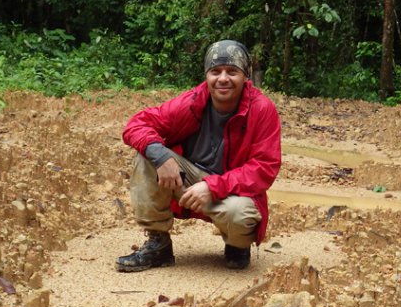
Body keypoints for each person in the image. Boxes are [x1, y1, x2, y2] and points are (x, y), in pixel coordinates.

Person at [117, 40, 282, 272]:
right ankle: (158, 243)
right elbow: (137, 124)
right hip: (189, 178)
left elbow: (264, 168)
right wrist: (162, 157)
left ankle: (237, 245)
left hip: (231, 189)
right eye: (215, 71)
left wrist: (212, 187)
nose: (223, 78)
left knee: (240, 214)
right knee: (148, 155)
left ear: (246, 76)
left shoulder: (262, 109)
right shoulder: (192, 101)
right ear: (206, 75)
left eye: (232, 71)